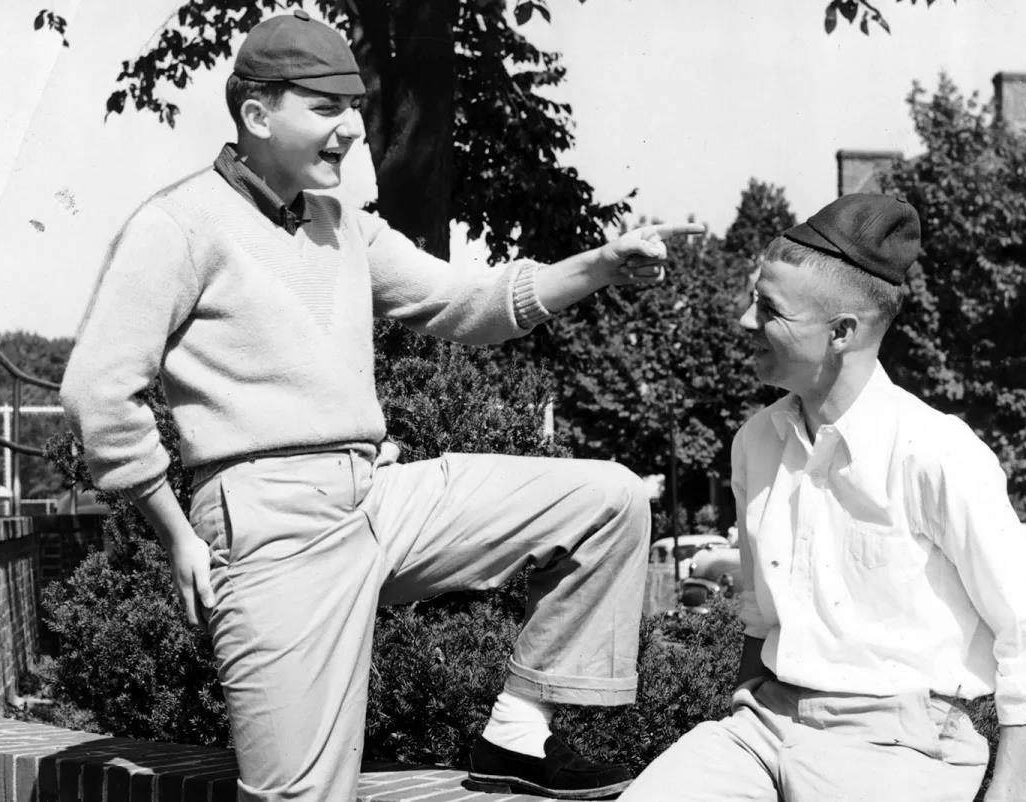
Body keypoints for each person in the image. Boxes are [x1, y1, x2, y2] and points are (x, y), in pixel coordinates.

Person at [59, 11, 703, 802]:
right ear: (257, 114)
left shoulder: (344, 228)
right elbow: (97, 390)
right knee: (299, 796)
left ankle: (515, 736)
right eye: (327, 108)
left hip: (376, 499)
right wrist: (176, 534)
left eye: (356, 108)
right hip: (269, 525)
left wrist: (600, 264)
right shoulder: (179, 225)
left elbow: (472, 303)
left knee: (605, 500)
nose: (353, 130)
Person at [620, 194, 1026, 802]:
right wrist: (747, 714)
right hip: (761, 727)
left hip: (897, 747)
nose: (745, 321)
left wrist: (1008, 795)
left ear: (841, 332)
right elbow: (760, 616)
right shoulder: (755, 442)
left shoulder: (936, 453)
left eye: (769, 309)